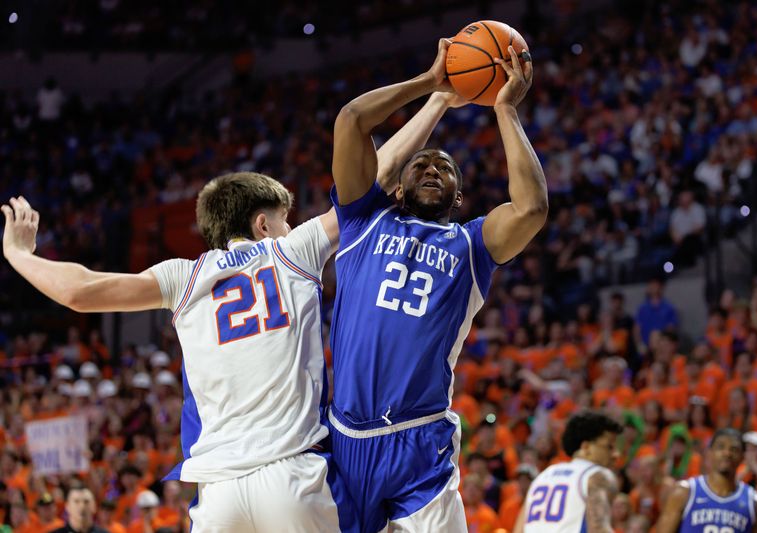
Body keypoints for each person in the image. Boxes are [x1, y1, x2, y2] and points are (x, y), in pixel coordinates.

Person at [3, 89, 461, 531]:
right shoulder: (291, 252)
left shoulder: (183, 276)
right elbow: (374, 181)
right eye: (285, 218)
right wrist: (438, 100)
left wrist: (20, 255)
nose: (291, 226)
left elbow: (81, 291)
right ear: (264, 225)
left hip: (218, 494)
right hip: (290, 477)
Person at [328, 38, 547, 532]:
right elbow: (351, 121)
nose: (432, 169)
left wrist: (505, 109)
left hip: (420, 441)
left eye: (444, 168)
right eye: (421, 166)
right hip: (342, 438)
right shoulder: (362, 220)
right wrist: (432, 84)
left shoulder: (471, 245)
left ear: (458, 194)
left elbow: (531, 209)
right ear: (397, 188)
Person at [512, 411, 622, 533]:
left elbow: (518, 530)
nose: (616, 454)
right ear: (586, 447)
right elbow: (598, 529)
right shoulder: (597, 476)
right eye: (609, 447)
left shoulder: (542, 477)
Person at [656, 428, 757, 533]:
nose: (727, 453)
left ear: (742, 457)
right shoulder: (684, 492)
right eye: (721, 447)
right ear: (709, 453)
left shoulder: (756, 503)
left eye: (734, 449)